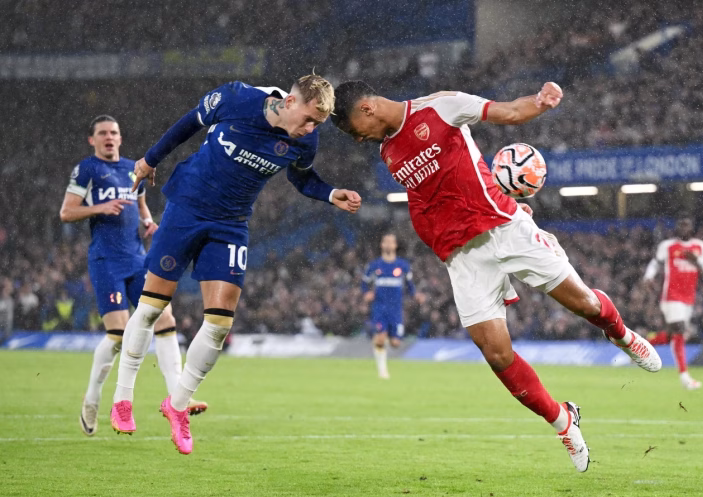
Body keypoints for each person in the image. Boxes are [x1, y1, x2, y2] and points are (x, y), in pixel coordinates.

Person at [331, 81, 662, 472]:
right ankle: (563, 421)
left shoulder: (440, 107)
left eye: (353, 131)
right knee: (497, 354)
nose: (358, 140)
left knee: (586, 305)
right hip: (462, 258)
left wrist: (540, 102)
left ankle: (621, 335)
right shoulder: (386, 150)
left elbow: (510, 112)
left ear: (367, 108)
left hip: (505, 229)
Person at [111, 75, 362, 455]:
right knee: (150, 308)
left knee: (219, 325)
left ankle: (177, 405)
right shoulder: (237, 98)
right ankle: (122, 398)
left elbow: (301, 177)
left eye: (318, 124)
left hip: (231, 224)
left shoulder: (305, 140)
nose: (311, 129)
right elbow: (190, 122)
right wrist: (149, 160)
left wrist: (330, 193)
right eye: (309, 119)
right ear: (290, 102)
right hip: (187, 208)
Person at [59, 115, 207, 437]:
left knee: (165, 319)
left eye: (113, 132)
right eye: (102, 133)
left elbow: (140, 206)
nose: (109, 137)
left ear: (120, 137)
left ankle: (178, 396)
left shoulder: (132, 167)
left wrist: (148, 222)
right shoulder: (87, 169)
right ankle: (92, 398)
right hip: (106, 261)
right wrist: (99, 208)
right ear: (92, 140)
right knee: (117, 335)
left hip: (137, 259)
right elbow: (66, 212)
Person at [644, 215, 703, 389]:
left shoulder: (700, 246)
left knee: (672, 335)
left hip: (689, 298)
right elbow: (655, 263)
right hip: (671, 296)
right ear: (676, 227)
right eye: (681, 225)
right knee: (680, 330)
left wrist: (696, 260)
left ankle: (642, 345)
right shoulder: (668, 246)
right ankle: (685, 378)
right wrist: (648, 277)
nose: (684, 228)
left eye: (687, 225)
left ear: (692, 227)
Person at [361, 233, 424, 379]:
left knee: (396, 343)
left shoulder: (403, 266)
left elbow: (410, 285)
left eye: (391, 242)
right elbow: (364, 283)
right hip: (379, 308)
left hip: (396, 309)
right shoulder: (374, 266)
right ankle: (382, 371)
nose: (389, 244)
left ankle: (385, 338)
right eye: (386, 242)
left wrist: (415, 295)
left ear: (395, 245)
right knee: (380, 338)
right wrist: (366, 293)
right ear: (381, 245)